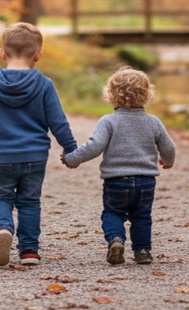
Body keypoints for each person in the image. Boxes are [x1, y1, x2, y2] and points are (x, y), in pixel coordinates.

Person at [0, 22, 78, 267]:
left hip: (0, 156)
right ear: (38, 55)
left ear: (2, 53)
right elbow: (58, 122)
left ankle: (2, 229)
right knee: (29, 202)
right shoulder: (44, 84)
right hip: (34, 156)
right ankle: (29, 251)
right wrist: (71, 149)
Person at [61, 67, 176, 265]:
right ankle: (142, 252)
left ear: (111, 94)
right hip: (146, 181)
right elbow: (169, 147)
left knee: (113, 213)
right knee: (142, 217)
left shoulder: (108, 121)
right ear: (147, 95)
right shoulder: (153, 122)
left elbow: (94, 146)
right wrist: (167, 160)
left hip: (116, 181)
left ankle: (116, 240)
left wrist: (72, 159)